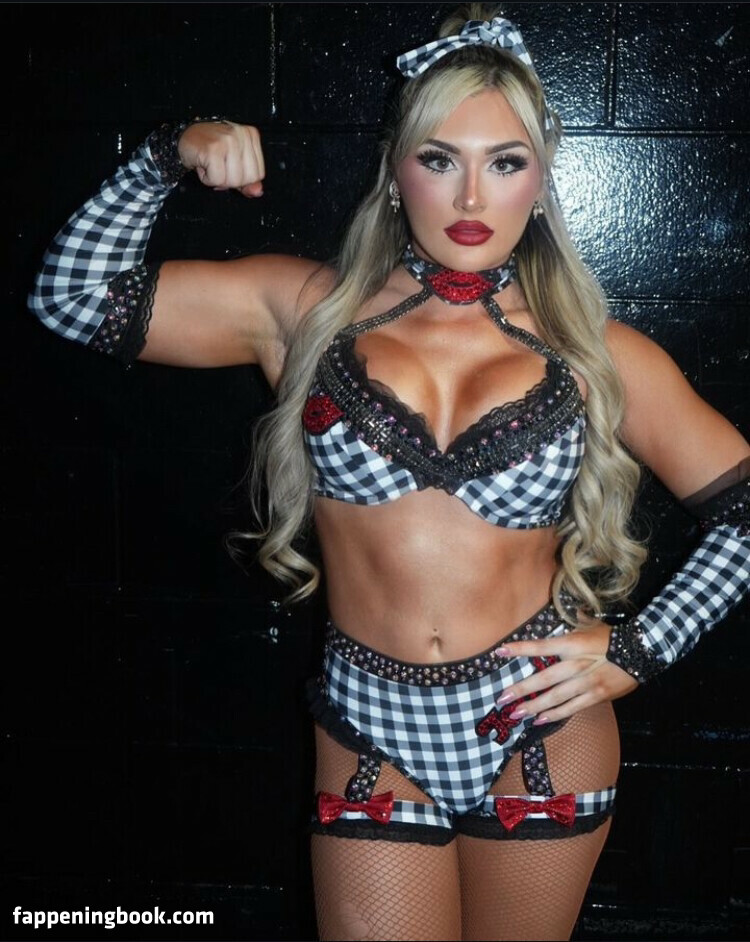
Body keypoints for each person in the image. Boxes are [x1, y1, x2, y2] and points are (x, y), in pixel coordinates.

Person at [28, 5, 749, 941]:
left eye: (506, 162)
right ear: (396, 169)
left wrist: (637, 651)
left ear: (541, 179)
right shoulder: (306, 311)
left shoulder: (596, 354)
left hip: (540, 730)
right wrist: (165, 156)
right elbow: (72, 297)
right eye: (440, 159)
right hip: (369, 725)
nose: (471, 197)